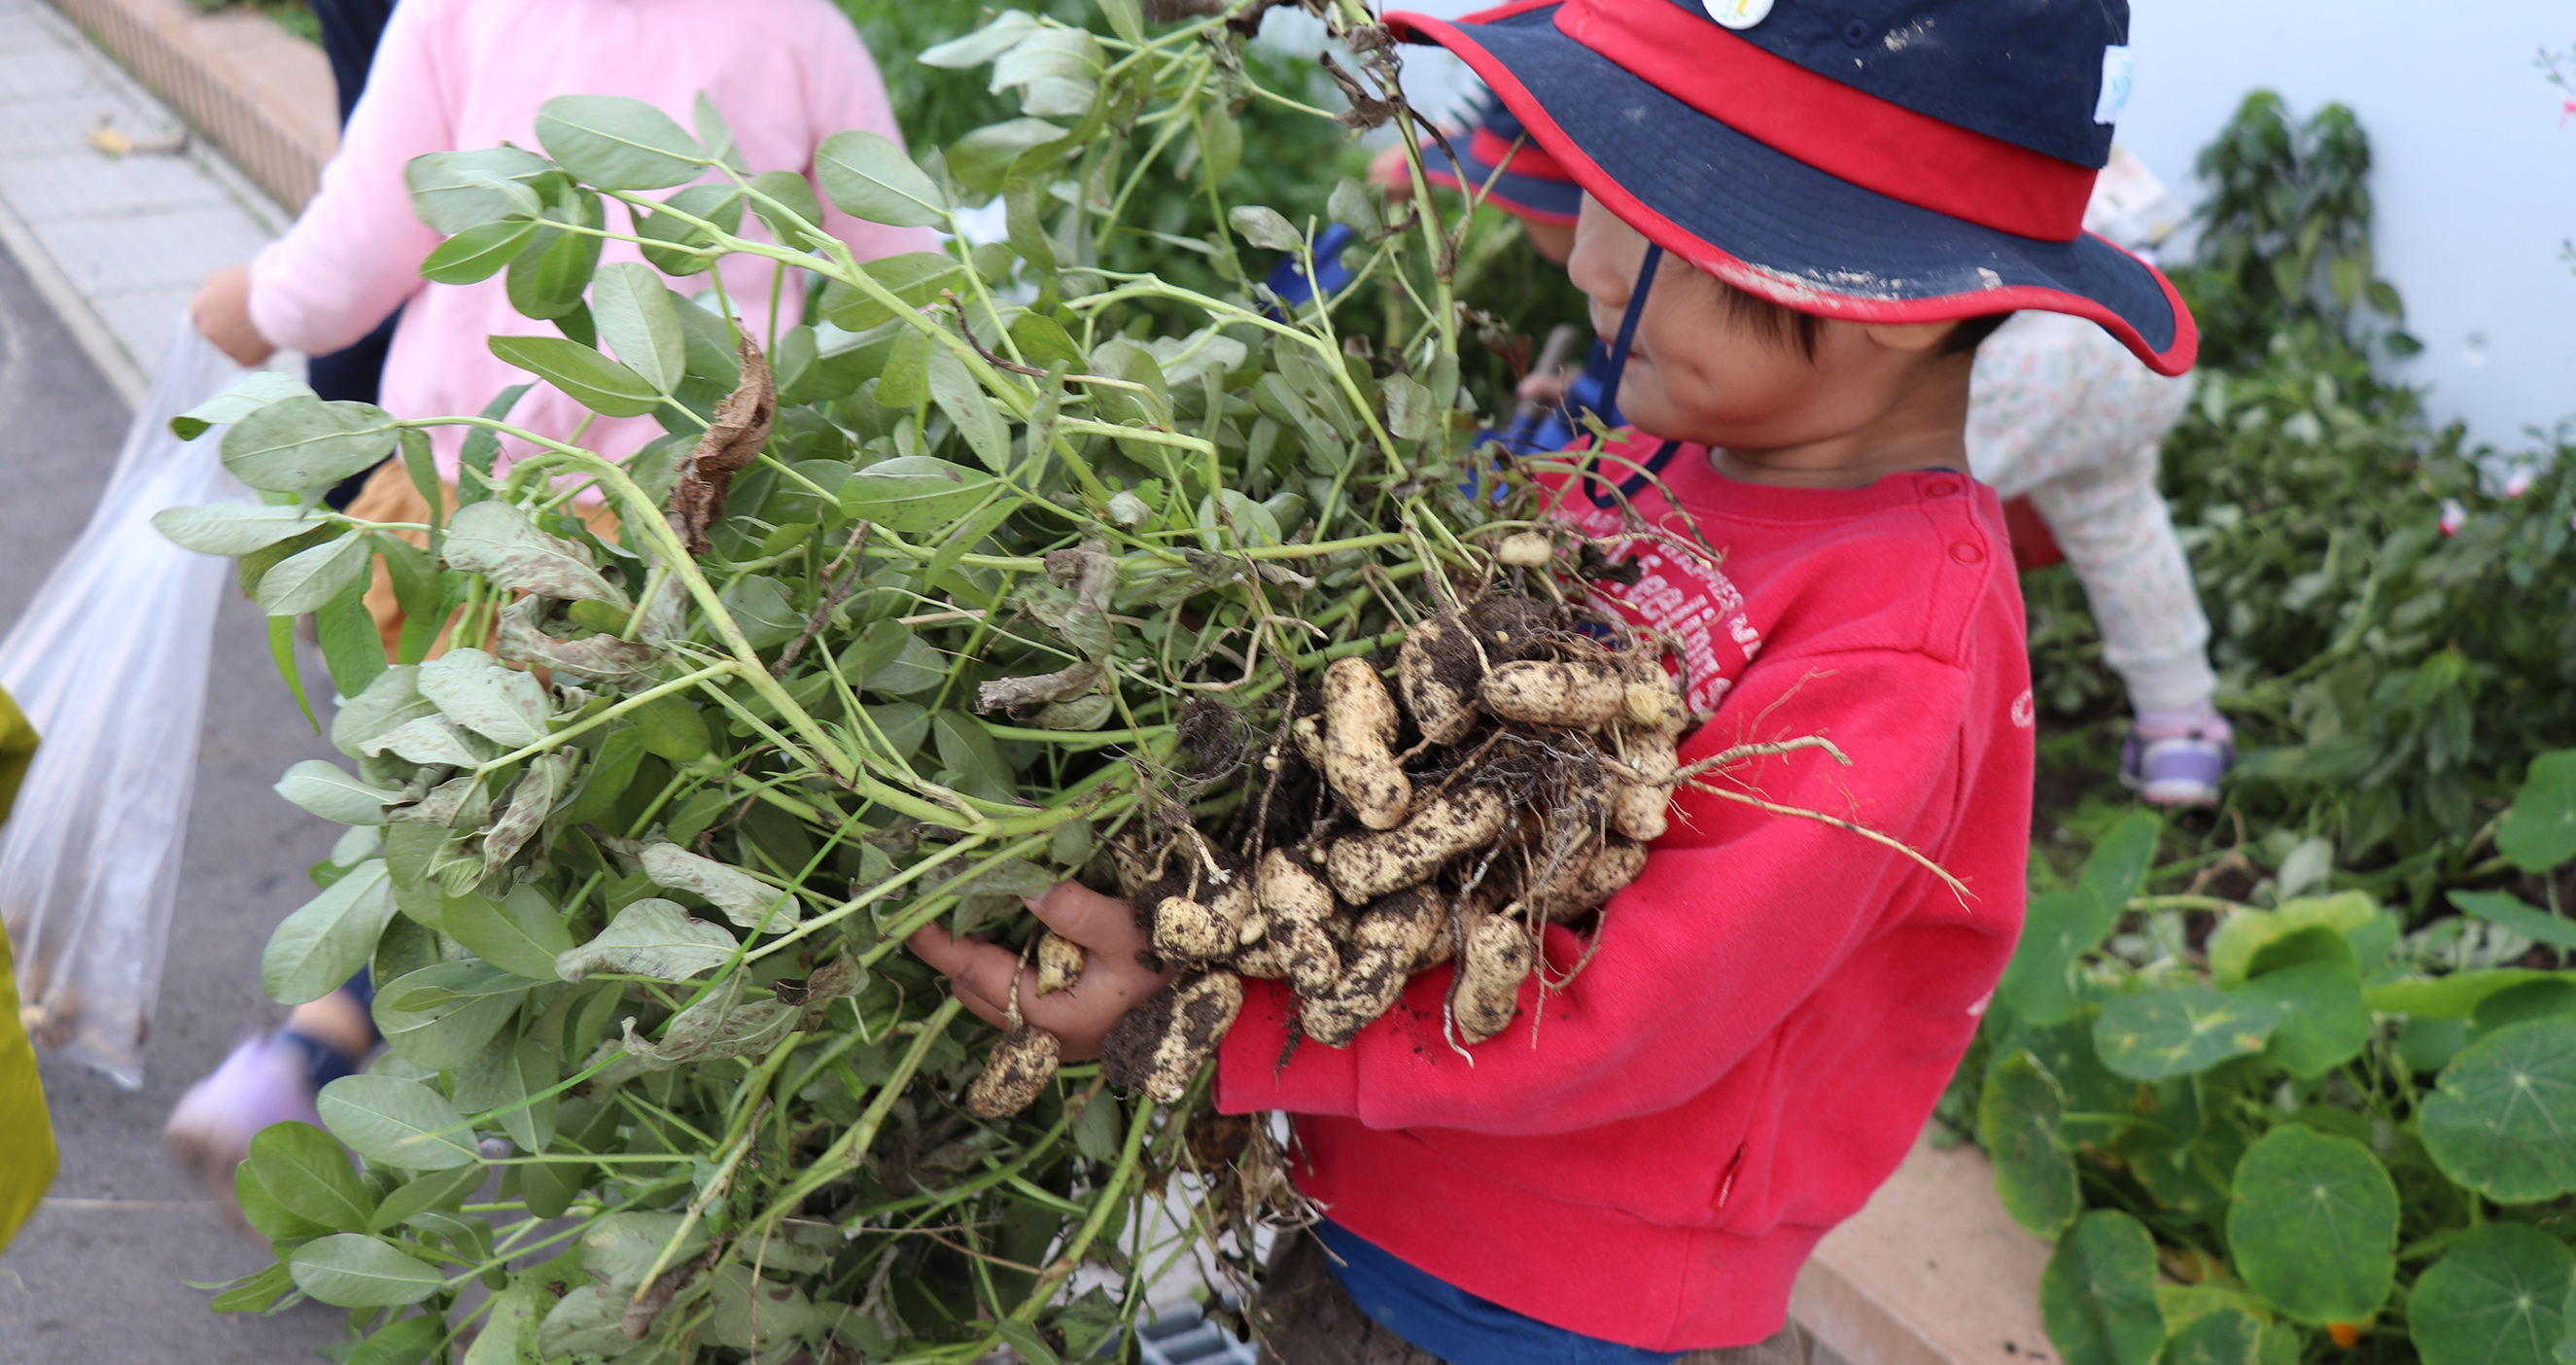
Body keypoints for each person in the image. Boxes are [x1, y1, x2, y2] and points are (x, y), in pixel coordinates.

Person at [911, 1, 2194, 1361]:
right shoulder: (1652, 461)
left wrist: (1201, 1027)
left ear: (1866, 293)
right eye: (1597, 192)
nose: (1585, 261)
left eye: (1654, 215)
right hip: (1379, 1201)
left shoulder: (1898, 650)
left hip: (1562, 1315)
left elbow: (1630, 1013)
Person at [166, 0, 935, 1201]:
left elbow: (362, 248)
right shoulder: (801, 29)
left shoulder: (458, 12)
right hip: (699, 553)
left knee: (447, 820)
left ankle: (341, 1086)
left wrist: (251, 304)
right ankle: (478, 1110)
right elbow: (897, 278)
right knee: (614, 849)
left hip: (469, 525)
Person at [1409, 96, 2230, 804]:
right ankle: (2180, 718)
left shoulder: (1843, 220)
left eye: (1630, 207)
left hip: (2038, 362)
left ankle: (1798, 683)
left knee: (1888, 527)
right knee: (2118, 528)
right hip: (2103, 336)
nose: (1590, 264)